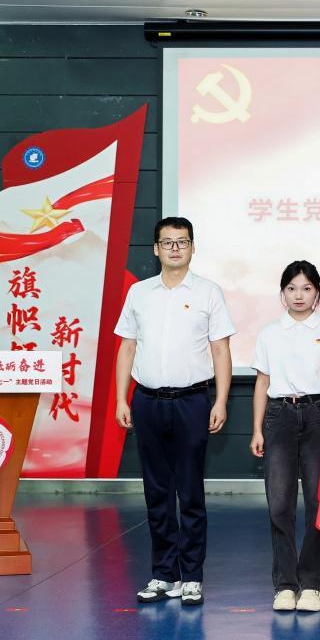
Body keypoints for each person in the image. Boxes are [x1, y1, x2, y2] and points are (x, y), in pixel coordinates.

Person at [115, 217, 235, 606]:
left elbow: (221, 350)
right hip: (147, 401)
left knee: (190, 491)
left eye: (181, 242)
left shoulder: (208, 292)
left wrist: (220, 400)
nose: (174, 249)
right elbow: (127, 347)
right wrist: (121, 399)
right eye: (167, 242)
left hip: (192, 402)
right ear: (156, 249)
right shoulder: (139, 293)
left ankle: (192, 576)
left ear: (192, 248)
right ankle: (164, 574)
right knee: (157, 492)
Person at [250, 260, 320, 613]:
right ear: (282, 293)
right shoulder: (269, 333)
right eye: (291, 288)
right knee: (280, 504)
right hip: (279, 416)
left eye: (306, 288)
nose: (299, 295)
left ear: (317, 293)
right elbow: (262, 381)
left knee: (319, 504)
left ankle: (313, 585)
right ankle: (285, 584)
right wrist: (257, 429)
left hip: (319, 414)